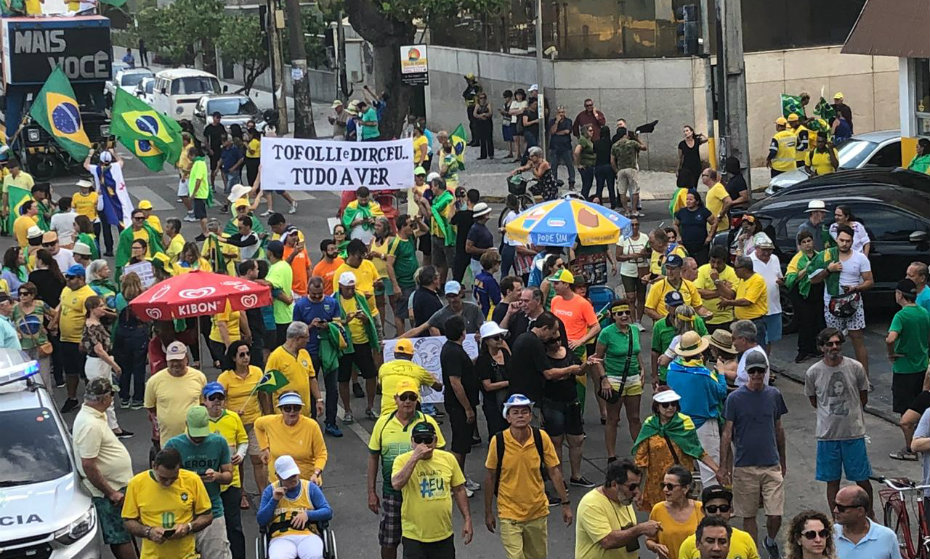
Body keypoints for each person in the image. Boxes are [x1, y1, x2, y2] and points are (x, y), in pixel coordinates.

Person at [484, 393, 571, 559]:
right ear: (507, 417)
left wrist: (565, 503)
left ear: (531, 416)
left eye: (524, 412)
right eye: (515, 412)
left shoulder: (541, 437)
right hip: (509, 512)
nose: (520, 416)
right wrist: (488, 511)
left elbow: (554, 471)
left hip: (537, 512)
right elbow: (490, 476)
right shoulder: (499, 441)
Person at [719, 351, 788, 558]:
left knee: (775, 513)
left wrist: (783, 461)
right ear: (747, 373)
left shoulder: (774, 395)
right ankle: (754, 553)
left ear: (766, 372)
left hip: (771, 464)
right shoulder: (734, 398)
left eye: (760, 370)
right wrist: (723, 467)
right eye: (753, 371)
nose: (757, 374)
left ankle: (770, 540)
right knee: (747, 514)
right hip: (744, 465)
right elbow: (727, 433)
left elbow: (779, 429)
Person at [368, 379, 445, 559]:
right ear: (396, 399)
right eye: (404, 397)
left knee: (424, 541)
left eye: (412, 397)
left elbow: (441, 457)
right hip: (392, 494)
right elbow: (373, 458)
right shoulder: (382, 424)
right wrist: (371, 492)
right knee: (389, 541)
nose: (408, 401)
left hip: (422, 493)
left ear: (417, 399)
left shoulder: (428, 422)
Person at [805, 327, 873, 516]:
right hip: (828, 436)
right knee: (832, 481)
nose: (834, 347)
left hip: (854, 433)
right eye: (829, 344)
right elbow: (814, 400)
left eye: (837, 343)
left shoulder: (855, 367)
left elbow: (863, 396)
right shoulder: (813, 372)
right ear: (821, 347)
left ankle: (869, 515)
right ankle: (836, 518)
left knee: (862, 479)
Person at [73, 377, 137, 559]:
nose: (113, 398)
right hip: (109, 490)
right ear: (103, 398)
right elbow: (88, 464)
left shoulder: (94, 416)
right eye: (111, 395)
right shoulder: (90, 424)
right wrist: (110, 492)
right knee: (120, 535)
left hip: (115, 486)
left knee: (123, 533)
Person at [390, 421, 473, 558]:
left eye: (428, 440)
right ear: (412, 442)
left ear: (435, 441)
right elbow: (397, 484)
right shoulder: (402, 460)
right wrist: (414, 458)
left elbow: (459, 490)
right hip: (414, 536)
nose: (423, 445)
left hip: (443, 534)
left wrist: (467, 519)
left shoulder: (448, 459)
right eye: (418, 440)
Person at [164, 406, 235, 559]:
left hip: (212, 509)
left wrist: (217, 476)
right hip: (183, 512)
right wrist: (188, 477)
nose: (198, 438)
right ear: (186, 424)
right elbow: (164, 479)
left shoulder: (219, 442)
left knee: (217, 554)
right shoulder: (173, 445)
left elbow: (229, 475)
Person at [122, 448, 213, 559]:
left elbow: (207, 516)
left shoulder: (192, 480)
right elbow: (128, 521)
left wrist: (188, 527)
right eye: (163, 478)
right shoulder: (136, 484)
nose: (168, 483)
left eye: (174, 478)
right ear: (154, 466)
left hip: (186, 555)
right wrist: (149, 532)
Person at [811, 224, 873, 385]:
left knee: (857, 338)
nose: (844, 244)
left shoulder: (860, 258)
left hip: (853, 303)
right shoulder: (827, 256)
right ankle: (834, 375)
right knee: (833, 340)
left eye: (848, 241)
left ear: (853, 241)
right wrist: (829, 270)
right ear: (836, 239)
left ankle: (864, 379)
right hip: (832, 304)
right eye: (841, 240)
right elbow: (813, 279)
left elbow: (869, 281)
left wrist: (856, 287)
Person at [217, 341, 271, 506]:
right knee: (236, 461)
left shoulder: (256, 372)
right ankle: (241, 494)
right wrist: (231, 412)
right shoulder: (224, 378)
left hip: (255, 423)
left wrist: (268, 416)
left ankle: (264, 494)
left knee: (259, 459)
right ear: (233, 358)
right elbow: (219, 401)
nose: (246, 357)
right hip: (234, 426)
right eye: (242, 355)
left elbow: (263, 394)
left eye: (247, 354)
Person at [575, 459, 661, 559]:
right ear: (614, 484)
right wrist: (640, 529)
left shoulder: (623, 498)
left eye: (638, 486)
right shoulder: (591, 504)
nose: (636, 491)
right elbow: (607, 541)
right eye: (632, 486)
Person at [201, 383, 248, 559]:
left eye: (220, 397)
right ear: (204, 401)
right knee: (210, 526)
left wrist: (241, 454)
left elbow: (243, 439)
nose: (216, 401)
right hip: (208, 484)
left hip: (231, 481)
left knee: (234, 525)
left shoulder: (233, 417)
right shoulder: (199, 420)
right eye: (212, 398)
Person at [594, 301, 645, 461]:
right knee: (613, 418)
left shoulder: (634, 331)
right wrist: (604, 379)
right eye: (619, 313)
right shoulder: (607, 333)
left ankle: (640, 453)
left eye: (627, 313)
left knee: (635, 418)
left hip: (633, 378)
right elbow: (597, 358)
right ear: (613, 316)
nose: (624, 316)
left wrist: (642, 369)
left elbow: (636, 352)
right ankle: (611, 455)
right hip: (614, 378)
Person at [256, 455, 333, 559]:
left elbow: (328, 511)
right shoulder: (270, 491)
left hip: (308, 534)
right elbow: (261, 520)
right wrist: (274, 501)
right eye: (288, 477)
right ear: (278, 476)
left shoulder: (310, 488)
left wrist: (308, 515)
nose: (293, 479)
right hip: (280, 537)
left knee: (314, 555)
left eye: (294, 475)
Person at [887, 278, 930, 460]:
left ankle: (910, 449)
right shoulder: (923, 313)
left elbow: (890, 338)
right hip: (922, 365)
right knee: (920, 406)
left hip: (904, 369)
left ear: (899, 295)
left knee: (906, 413)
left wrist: (891, 353)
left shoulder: (901, 316)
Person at [440, 314, 481, 496]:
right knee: (459, 445)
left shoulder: (454, 350)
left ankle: (461, 477)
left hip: (460, 405)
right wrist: (467, 408)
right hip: (458, 406)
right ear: (463, 333)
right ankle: (455, 484)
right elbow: (456, 383)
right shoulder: (453, 352)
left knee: (464, 445)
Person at [83, 295, 131, 437]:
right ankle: (113, 428)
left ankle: (113, 426)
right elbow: (99, 350)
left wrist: (105, 311)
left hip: (97, 363)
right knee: (103, 395)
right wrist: (115, 365)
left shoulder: (91, 323)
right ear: (92, 308)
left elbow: (114, 315)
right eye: (100, 306)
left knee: (103, 394)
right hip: (99, 363)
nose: (103, 308)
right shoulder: (94, 326)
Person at [254, 392, 328, 485]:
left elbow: (321, 454)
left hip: (306, 482)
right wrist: (264, 448)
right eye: (287, 408)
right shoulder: (271, 422)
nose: (292, 412)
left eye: (296, 408)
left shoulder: (312, 426)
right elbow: (257, 425)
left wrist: (316, 473)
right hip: (278, 483)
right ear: (281, 409)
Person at [334, 271, 379, 422]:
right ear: (340, 286)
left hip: (362, 342)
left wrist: (365, 319)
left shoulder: (359, 298)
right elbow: (332, 323)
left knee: (371, 374)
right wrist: (344, 321)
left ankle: (370, 407)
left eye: (353, 288)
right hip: (345, 345)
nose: (351, 291)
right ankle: (347, 410)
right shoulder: (335, 300)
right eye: (348, 288)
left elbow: (369, 317)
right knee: (343, 378)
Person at [144, 341, 208, 442]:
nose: (175, 364)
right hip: (168, 440)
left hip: (195, 438)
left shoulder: (199, 377)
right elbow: (150, 408)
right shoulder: (154, 381)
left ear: (186, 359)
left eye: (179, 360)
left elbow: (203, 404)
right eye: (172, 360)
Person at [56, 264, 98, 413]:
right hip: (65, 339)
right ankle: (72, 398)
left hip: (79, 341)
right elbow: (61, 306)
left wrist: (83, 339)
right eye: (67, 277)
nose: (67, 280)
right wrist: (55, 321)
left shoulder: (88, 294)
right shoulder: (67, 289)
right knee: (69, 371)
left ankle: (91, 400)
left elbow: (90, 319)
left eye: (71, 277)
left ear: (81, 278)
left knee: (85, 372)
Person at [679, 486, 760, 559]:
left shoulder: (745, 539)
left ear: (730, 510)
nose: (718, 513)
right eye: (712, 508)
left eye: (723, 508)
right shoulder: (688, 544)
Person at [645, 465, 704, 559]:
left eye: (670, 486)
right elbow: (649, 540)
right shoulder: (658, 509)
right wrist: (656, 547)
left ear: (685, 488)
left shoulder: (701, 509)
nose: (665, 490)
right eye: (663, 485)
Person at [786, 230, 825, 363]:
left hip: (818, 292)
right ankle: (803, 351)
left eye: (809, 241)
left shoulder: (819, 256)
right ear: (800, 245)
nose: (807, 244)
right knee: (805, 322)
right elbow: (790, 279)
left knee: (817, 321)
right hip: (803, 294)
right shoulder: (797, 259)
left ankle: (814, 349)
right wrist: (805, 269)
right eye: (804, 242)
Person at [833, 485, 901, 559]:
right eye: (835, 505)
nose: (835, 510)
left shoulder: (887, 537)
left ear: (860, 511)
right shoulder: (827, 535)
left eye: (841, 508)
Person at [719, 255, 768, 346]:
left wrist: (728, 302)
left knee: (754, 349)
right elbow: (732, 294)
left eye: (736, 268)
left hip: (754, 323)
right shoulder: (742, 280)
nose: (734, 270)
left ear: (744, 269)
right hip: (741, 322)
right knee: (741, 350)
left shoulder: (757, 280)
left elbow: (747, 301)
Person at [13, 281, 55, 385]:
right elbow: (7, 321)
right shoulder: (15, 308)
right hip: (24, 346)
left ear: (32, 295)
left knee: (44, 377)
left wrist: (52, 325)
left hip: (40, 344)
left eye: (25, 294)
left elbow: (55, 314)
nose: (22, 296)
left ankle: (47, 397)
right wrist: (15, 332)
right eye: (20, 294)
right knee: (28, 377)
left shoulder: (40, 305)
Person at [644, 254, 707, 321]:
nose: (669, 272)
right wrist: (666, 320)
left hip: (685, 326)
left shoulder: (689, 285)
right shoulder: (657, 286)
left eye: (673, 268)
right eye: (667, 268)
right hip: (665, 328)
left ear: (680, 269)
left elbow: (698, 307)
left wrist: (706, 314)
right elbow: (648, 309)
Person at [750, 234, 783, 354]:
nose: (767, 253)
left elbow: (778, 276)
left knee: (769, 341)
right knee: (757, 340)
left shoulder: (775, 259)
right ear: (756, 248)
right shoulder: (749, 260)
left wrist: (781, 281)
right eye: (764, 250)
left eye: (769, 250)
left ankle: (766, 365)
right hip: (757, 310)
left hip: (774, 307)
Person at [695, 246, 738, 333]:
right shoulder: (702, 270)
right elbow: (698, 292)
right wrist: (721, 290)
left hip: (725, 319)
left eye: (719, 263)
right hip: (705, 319)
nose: (715, 266)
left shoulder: (732, 273)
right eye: (712, 262)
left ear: (725, 262)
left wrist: (716, 281)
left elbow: (730, 296)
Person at [616, 218, 649, 323]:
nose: (634, 227)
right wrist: (630, 256)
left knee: (641, 296)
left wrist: (644, 254)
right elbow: (618, 256)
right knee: (631, 297)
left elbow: (650, 253)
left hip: (642, 269)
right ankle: (632, 320)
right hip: (627, 272)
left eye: (636, 225)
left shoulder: (644, 237)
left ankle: (639, 320)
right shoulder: (622, 239)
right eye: (632, 225)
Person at [674, 189, 716, 265]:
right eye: (687, 199)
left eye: (691, 199)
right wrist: (678, 236)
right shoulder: (682, 212)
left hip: (701, 246)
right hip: (686, 245)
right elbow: (675, 224)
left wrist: (710, 236)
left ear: (697, 201)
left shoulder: (703, 211)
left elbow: (714, 222)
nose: (688, 201)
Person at [612, 127, 646, 216]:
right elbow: (644, 147)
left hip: (621, 170)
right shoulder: (632, 143)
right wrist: (638, 138)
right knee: (635, 190)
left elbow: (612, 160)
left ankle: (626, 210)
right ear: (625, 134)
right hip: (631, 168)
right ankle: (634, 210)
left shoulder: (615, 145)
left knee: (622, 191)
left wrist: (616, 170)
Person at [549, 106, 575, 189]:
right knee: (553, 166)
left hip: (566, 147)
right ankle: (554, 182)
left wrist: (558, 133)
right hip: (554, 147)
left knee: (570, 165)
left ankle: (571, 182)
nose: (561, 114)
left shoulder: (568, 121)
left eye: (563, 112)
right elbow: (552, 132)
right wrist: (556, 122)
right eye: (560, 112)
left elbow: (567, 131)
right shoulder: (552, 122)